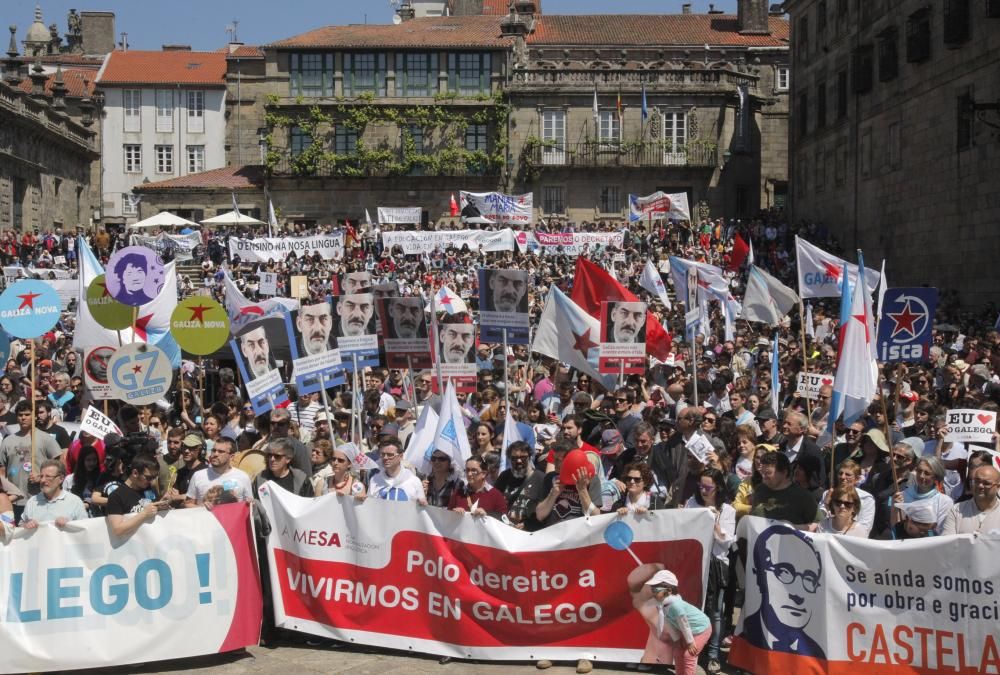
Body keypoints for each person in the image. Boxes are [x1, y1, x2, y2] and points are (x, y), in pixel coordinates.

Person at [740, 525, 825, 658]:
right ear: (759, 575)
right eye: (784, 572)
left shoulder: (817, 655)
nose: (798, 594)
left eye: (809, 579)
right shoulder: (744, 636)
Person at [626, 565, 712, 675]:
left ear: (669, 590)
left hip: (702, 629)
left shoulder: (675, 604)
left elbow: (683, 623)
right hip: (690, 630)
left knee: (689, 655)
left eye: (656, 589)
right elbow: (669, 623)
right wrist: (677, 640)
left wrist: (690, 642)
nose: (653, 591)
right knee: (677, 651)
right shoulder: (662, 603)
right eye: (653, 588)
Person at [0, 400, 62, 522]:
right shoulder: (7, 441)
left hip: (40, 499)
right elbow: (2, 471)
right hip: (15, 500)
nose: (23, 418)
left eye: (27, 414)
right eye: (20, 415)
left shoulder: (45, 438)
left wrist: (42, 477)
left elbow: (60, 464)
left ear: (34, 416)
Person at [105, 454, 170, 538]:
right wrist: (144, 514)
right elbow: (117, 530)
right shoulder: (116, 496)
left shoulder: (148, 489)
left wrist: (160, 506)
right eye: (148, 477)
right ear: (135, 473)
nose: (152, 481)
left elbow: (150, 510)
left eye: (154, 477)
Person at [749, 451, 819, 528]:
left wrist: (792, 528)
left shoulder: (803, 497)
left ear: (784, 472)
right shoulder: (760, 490)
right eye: (762, 473)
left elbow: (819, 525)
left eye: (768, 473)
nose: (764, 477)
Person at [891, 455, 953, 534]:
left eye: (927, 473)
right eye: (919, 471)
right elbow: (895, 528)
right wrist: (895, 507)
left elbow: (943, 532)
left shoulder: (944, 502)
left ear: (936, 477)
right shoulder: (903, 495)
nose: (921, 476)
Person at [185, 437, 253, 508]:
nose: (215, 454)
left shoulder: (243, 477)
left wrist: (251, 503)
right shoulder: (198, 475)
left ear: (232, 456)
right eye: (213, 450)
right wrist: (202, 508)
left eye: (221, 451)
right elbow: (187, 504)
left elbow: (249, 506)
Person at [20, 460, 88, 528]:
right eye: (41, 476)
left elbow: (85, 529)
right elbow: (20, 527)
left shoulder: (75, 502)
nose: (43, 480)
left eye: (48, 476)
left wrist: (69, 524)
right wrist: (26, 525)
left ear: (61, 478)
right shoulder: (32, 502)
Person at [940, 465, 1000, 535]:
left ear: (998, 487)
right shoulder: (957, 510)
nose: (980, 486)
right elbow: (948, 543)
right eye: (977, 481)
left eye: (986, 483)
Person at [366, 437, 426, 503]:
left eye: (390, 455)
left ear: (400, 456)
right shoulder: (375, 480)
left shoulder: (414, 481)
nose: (385, 458)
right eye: (383, 454)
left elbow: (421, 510)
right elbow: (369, 508)